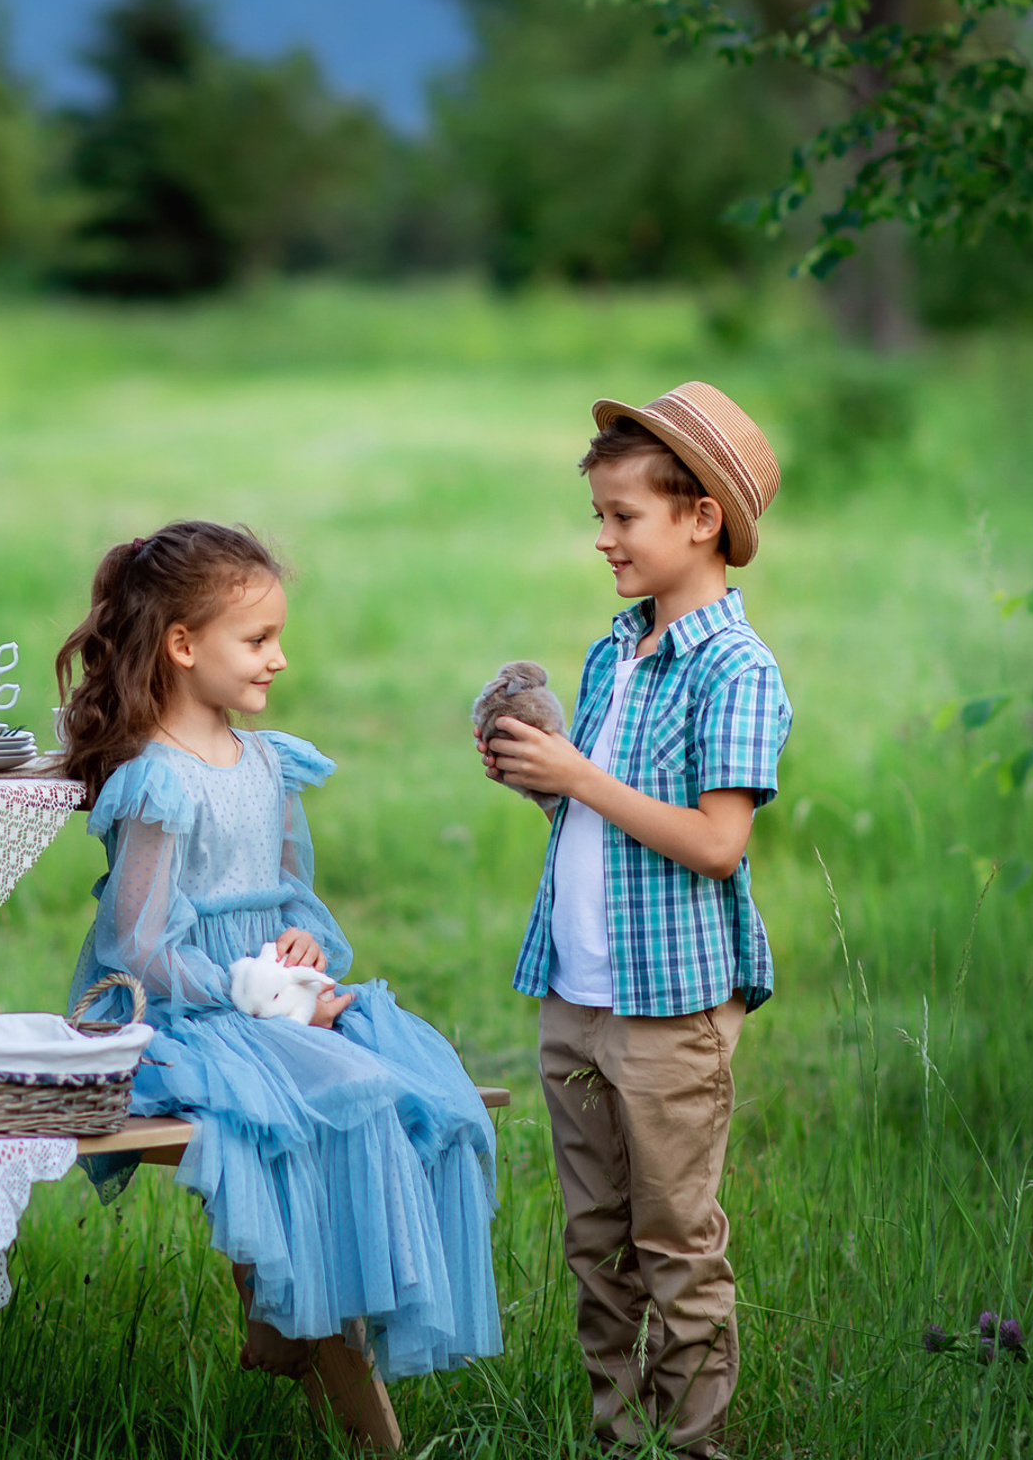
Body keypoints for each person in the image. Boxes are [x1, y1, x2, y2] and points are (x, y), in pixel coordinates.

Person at [57, 520, 502, 1388]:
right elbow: (138, 943)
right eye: (258, 640)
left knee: (429, 1092)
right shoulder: (158, 778)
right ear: (182, 645)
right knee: (345, 1091)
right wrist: (257, 991)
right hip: (187, 1008)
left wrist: (308, 953)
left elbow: (298, 901)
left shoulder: (268, 764)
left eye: (277, 639)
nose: (278, 659)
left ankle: (335, 1314)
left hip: (274, 993)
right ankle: (288, 1315)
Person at [480, 383, 790, 1456]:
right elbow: (609, 809)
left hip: (668, 1011)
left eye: (625, 518)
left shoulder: (737, 670)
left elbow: (715, 842)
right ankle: (617, 1431)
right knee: (594, 1240)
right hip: (577, 992)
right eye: (600, 517)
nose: (603, 540)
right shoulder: (616, 650)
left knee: (674, 1241)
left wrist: (582, 775)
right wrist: (545, 778)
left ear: (702, 520)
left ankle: (689, 1441)